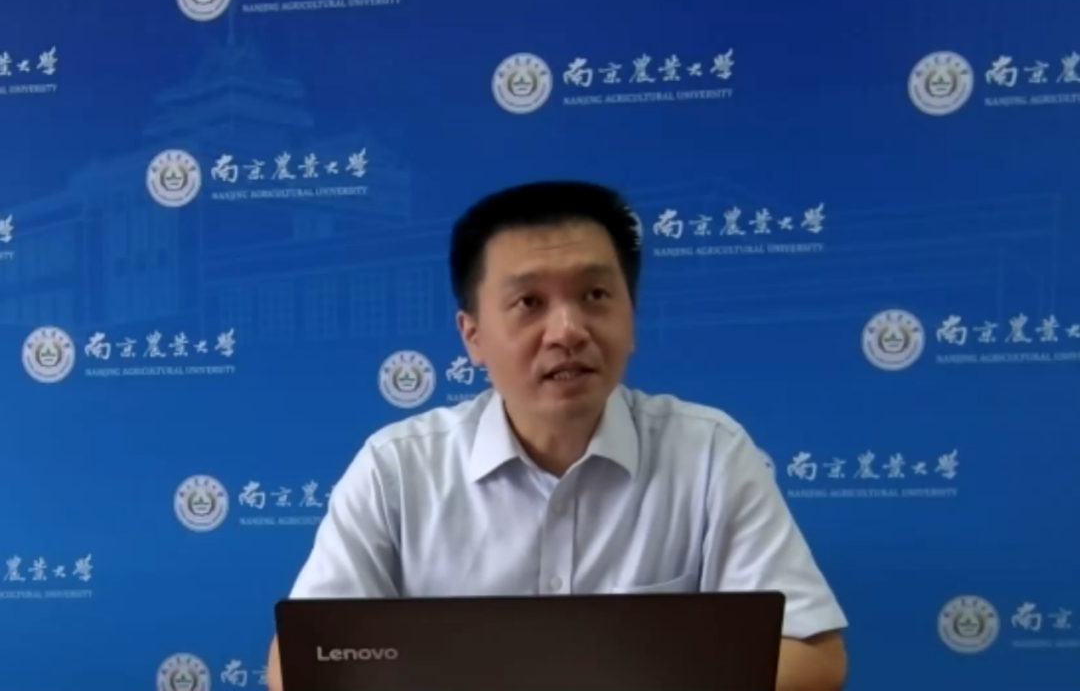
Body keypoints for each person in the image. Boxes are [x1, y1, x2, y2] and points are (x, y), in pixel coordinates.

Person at [266, 181, 848, 691]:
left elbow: (811, 655)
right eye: (529, 303)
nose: (567, 331)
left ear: (630, 317)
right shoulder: (396, 469)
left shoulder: (710, 453)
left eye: (594, 296)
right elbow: (300, 665)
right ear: (472, 336)